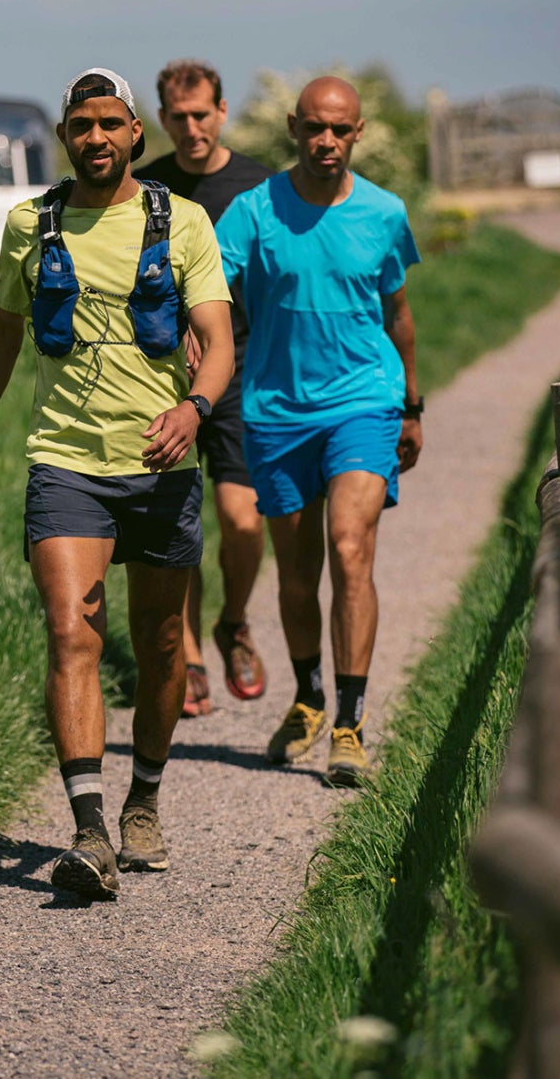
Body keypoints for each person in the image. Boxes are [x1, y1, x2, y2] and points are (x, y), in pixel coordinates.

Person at [0, 68, 235, 898]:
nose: (97, 138)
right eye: (82, 125)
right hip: (65, 460)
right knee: (72, 631)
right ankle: (87, 831)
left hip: (160, 466)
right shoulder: (31, 224)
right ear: (66, 137)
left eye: (111, 123)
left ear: (134, 136)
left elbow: (218, 341)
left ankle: (142, 800)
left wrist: (194, 408)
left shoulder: (180, 221)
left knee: (158, 649)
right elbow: (2, 336)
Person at [213, 75, 422, 789]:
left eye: (339, 129)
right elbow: (209, 287)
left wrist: (414, 404)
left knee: (349, 546)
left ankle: (351, 722)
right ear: (294, 130)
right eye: (313, 128)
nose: (325, 141)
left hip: (364, 399)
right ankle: (307, 697)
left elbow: (397, 312)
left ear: (358, 131)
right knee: (298, 575)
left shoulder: (385, 213)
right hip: (275, 408)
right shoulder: (251, 212)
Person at [136, 58, 276, 719]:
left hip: (242, 368)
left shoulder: (258, 187)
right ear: (162, 120)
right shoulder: (144, 188)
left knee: (243, 521)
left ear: (222, 112)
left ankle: (234, 621)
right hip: (160, 377)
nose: (191, 127)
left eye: (202, 114)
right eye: (178, 117)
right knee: (176, 521)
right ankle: (187, 651)